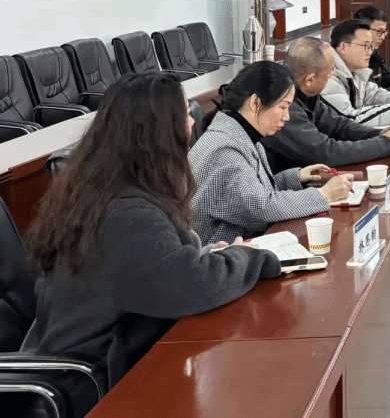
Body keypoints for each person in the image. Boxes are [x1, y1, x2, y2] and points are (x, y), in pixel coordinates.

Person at [22, 73, 282, 406]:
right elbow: (188, 286)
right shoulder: (125, 211)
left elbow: (157, 269)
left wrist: (206, 256)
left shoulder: (106, 186)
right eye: (184, 114)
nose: (193, 121)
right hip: (94, 386)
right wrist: (249, 257)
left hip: (108, 361)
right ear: (158, 131)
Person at [190, 61, 356, 246]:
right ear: (255, 103)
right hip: (223, 254)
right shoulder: (225, 150)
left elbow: (246, 192)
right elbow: (262, 207)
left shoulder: (238, 132)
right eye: (283, 107)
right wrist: (325, 194)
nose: (287, 116)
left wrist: (296, 178)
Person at [261, 37, 390, 176]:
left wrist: (380, 134)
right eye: (330, 70)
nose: (332, 75)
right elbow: (324, 153)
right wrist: (385, 144)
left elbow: (338, 126)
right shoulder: (281, 104)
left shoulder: (304, 90)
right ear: (310, 79)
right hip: (284, 185)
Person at [323, 19, 390, 126]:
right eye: (365, 46)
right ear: (343, 48)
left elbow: (375, 95)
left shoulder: (354, 70)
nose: (369, 52)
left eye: (371, 47)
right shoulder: (327, 75)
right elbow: (349, 120)